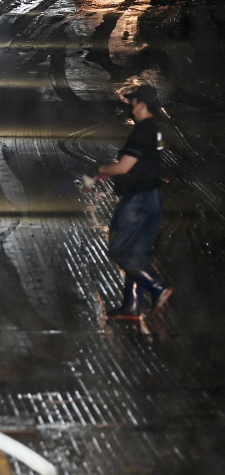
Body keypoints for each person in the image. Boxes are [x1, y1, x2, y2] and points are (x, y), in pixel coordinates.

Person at [84, 85, 173, 320]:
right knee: (139, 254)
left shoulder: (143, 131)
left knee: (121, 249)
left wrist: (99, 169)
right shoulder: (156, 131)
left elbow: (124, 166)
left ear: (142, 104)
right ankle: (132, 305)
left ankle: (157, 287)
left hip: (138, 199)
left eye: (133, 103)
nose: (131, 107)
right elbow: (145, 163)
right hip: (153, 196)